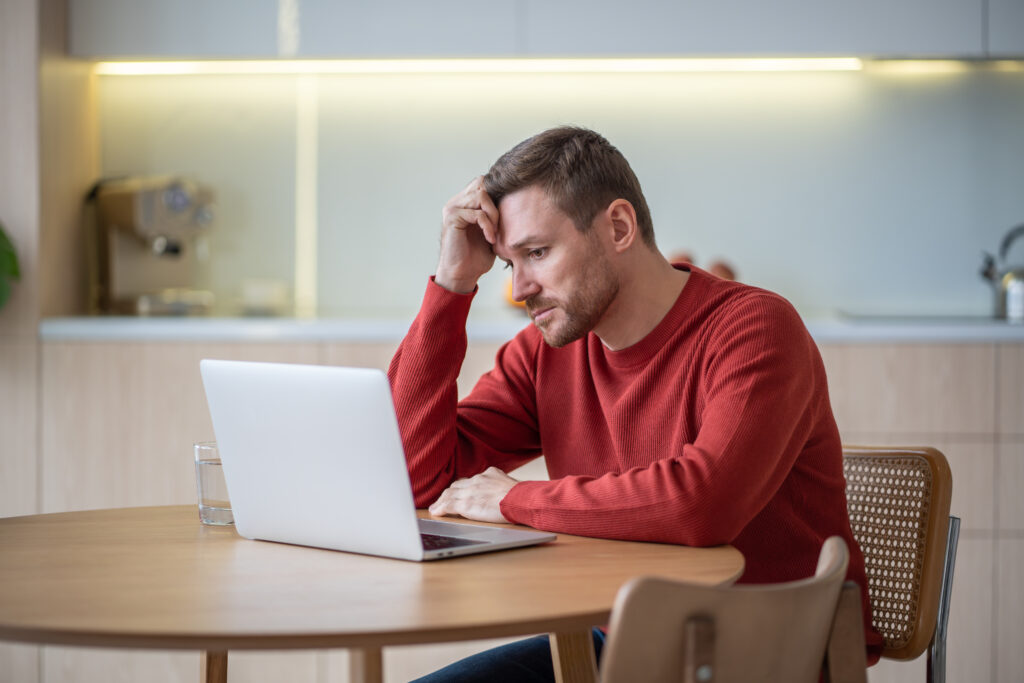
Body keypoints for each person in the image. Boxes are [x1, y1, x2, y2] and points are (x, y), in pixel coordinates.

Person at [387, 126, 882, 682]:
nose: (519, 287)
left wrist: (517, 500)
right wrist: (453, 285)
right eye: (509, 263)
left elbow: (701, 504)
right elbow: (411, 479)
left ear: (618, 227)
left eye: (538, 253)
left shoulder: (756, 329)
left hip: (764, 654)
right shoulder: (545, 352)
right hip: (617, 641)